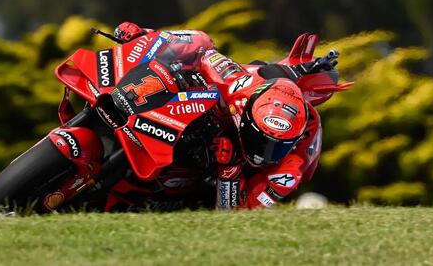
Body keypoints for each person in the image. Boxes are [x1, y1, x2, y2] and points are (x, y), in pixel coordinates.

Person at [112, 21, 322, 210]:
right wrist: (145, 37)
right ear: (246, 118)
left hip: (224, 179)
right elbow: (202, 45)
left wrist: (229, 168)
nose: (262, 154)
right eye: (260, 142)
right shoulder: (237, 84)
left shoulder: (288, 172)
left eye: (276, 147)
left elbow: (237, 214)